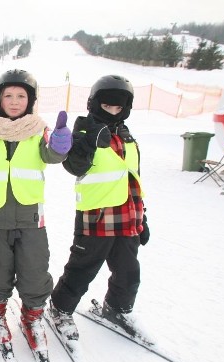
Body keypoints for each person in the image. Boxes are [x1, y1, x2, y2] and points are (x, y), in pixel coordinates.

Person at [0, 69, 72, 358]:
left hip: (30, 218)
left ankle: (32, 316)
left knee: (34, 271)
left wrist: (61, 144)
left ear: (31, 100)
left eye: (21, 96)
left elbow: (53, 155)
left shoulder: (39, 132)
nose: (14, 101)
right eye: (8, 96)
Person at [49, 75, 148, 341]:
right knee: (83, 268)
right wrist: (89, 141)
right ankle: (60, 308)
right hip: (97, 216)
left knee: (128, 270)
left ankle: (117, 308)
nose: (113, 111)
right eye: (108, 106)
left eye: (119, 107)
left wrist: (143, 217)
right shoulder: (84, 130)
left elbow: (133, 178)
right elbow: (73, 167)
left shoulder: (127, 137)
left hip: (128, 218)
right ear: (95, 104)